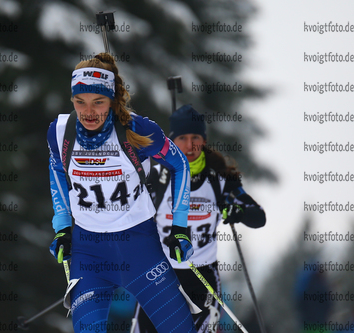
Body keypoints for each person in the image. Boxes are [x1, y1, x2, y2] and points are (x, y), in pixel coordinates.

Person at [47, 53, 198, 333]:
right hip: (88, 253)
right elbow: (56, 169)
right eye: (80, 102)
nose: (88, 112)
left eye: (98, 102)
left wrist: (179, 227)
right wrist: (63, 226)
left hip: (139, 247)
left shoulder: (136, 129)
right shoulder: (59, 132)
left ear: (112, 101)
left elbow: (179, 165)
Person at [133, 105, 266, 333]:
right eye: (182, 137)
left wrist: (239, 212)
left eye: (196, 137)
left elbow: (258, 217)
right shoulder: (157, 175)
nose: (190, 144)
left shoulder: (220, 179)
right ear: (172, 141)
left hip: (202, 276)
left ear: (204, 140)